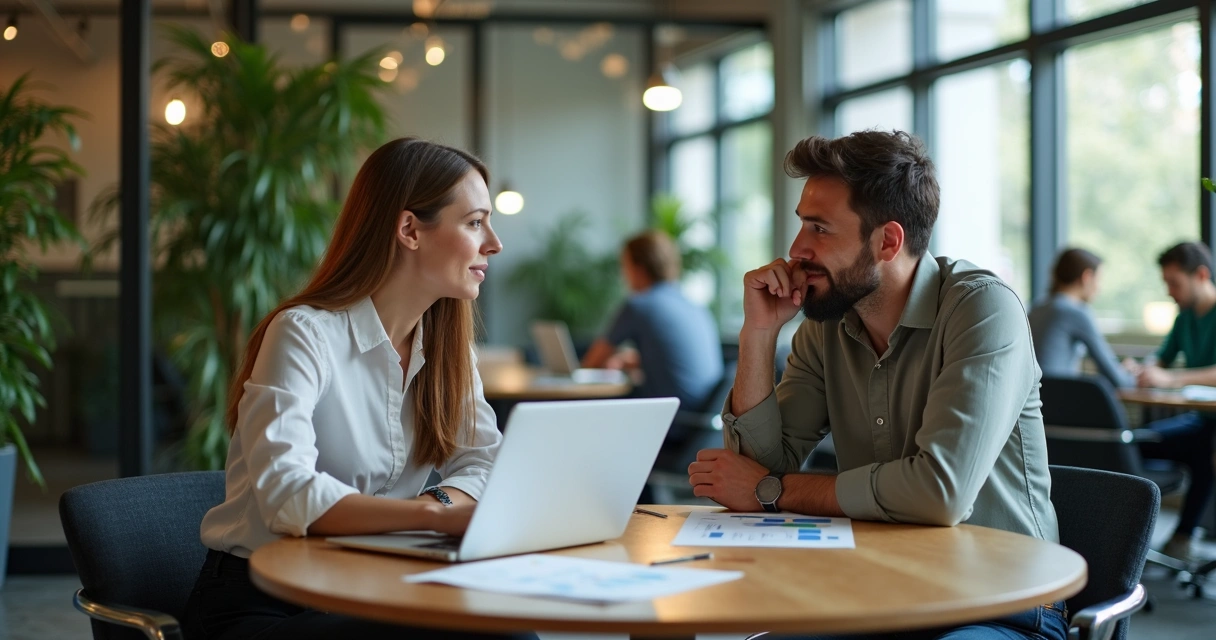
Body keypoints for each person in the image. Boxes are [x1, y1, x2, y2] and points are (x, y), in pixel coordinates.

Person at [687, 131, 1066, 640]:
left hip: (996, 603)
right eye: (802, 224)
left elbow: (939, 494)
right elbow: (752, 472)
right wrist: (758, 335)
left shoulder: (982, 309)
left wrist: (769, 491)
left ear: (888, 241)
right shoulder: (824, 325)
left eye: (820, 229)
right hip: (877, 591)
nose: (797, 249)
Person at [183, 138, 534, 640]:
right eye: (475, 222)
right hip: (266, 602)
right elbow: (290, 495)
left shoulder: (449, 350)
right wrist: (434, 519)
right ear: (410, 229)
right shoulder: (304, 333)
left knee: (505, 625)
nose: (494, 243)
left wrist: (435, 507)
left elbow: (482, 462)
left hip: (377, 582)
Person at [1134, 241, 1216, 561]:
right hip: (1200, 420)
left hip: (1209, 424)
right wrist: (1146, 368)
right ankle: (1169, 537)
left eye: (1174, 283)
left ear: (1201, 275)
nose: (1169, 291)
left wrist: (1172, 380)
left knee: (1204, 447)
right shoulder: (1184, 318)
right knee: (1134, 444)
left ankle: (1183, 535)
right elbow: (1163, 358)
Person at [581, 229, 723, 411]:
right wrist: (631, 361)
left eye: (624, 266)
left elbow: (591, 364)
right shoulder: (695, 306)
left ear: (637, 269)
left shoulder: (638, 305)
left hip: (671, 420)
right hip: (704, 427)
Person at [1027, 248, 1135, 388]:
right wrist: (1132, 374)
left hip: (1032, 403)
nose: (1099, 288)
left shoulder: (1036, 309)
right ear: (1087, 277)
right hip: (1059, 401)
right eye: (1099, 280)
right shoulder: (1076, 312)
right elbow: (1117, 379)